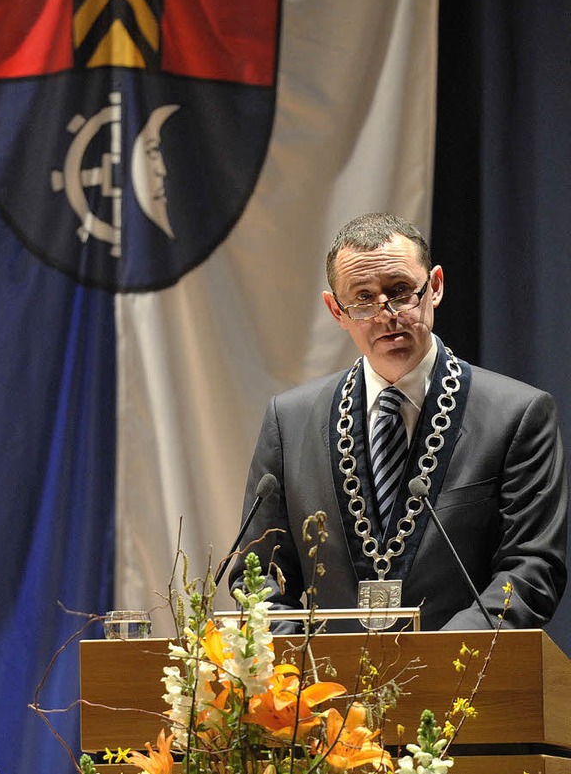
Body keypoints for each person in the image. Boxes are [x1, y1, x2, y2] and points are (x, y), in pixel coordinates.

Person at [229, 212, 568, 631]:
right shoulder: (290, 420)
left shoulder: (518, 415)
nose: (386, 314)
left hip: (464, 685)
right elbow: (258, 579)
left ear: (435, 287)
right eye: (363, 298)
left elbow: (532, 569)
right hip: (324, 690)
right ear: (336, 310)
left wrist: (441, 668)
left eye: (401, 291)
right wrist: (306, 678)